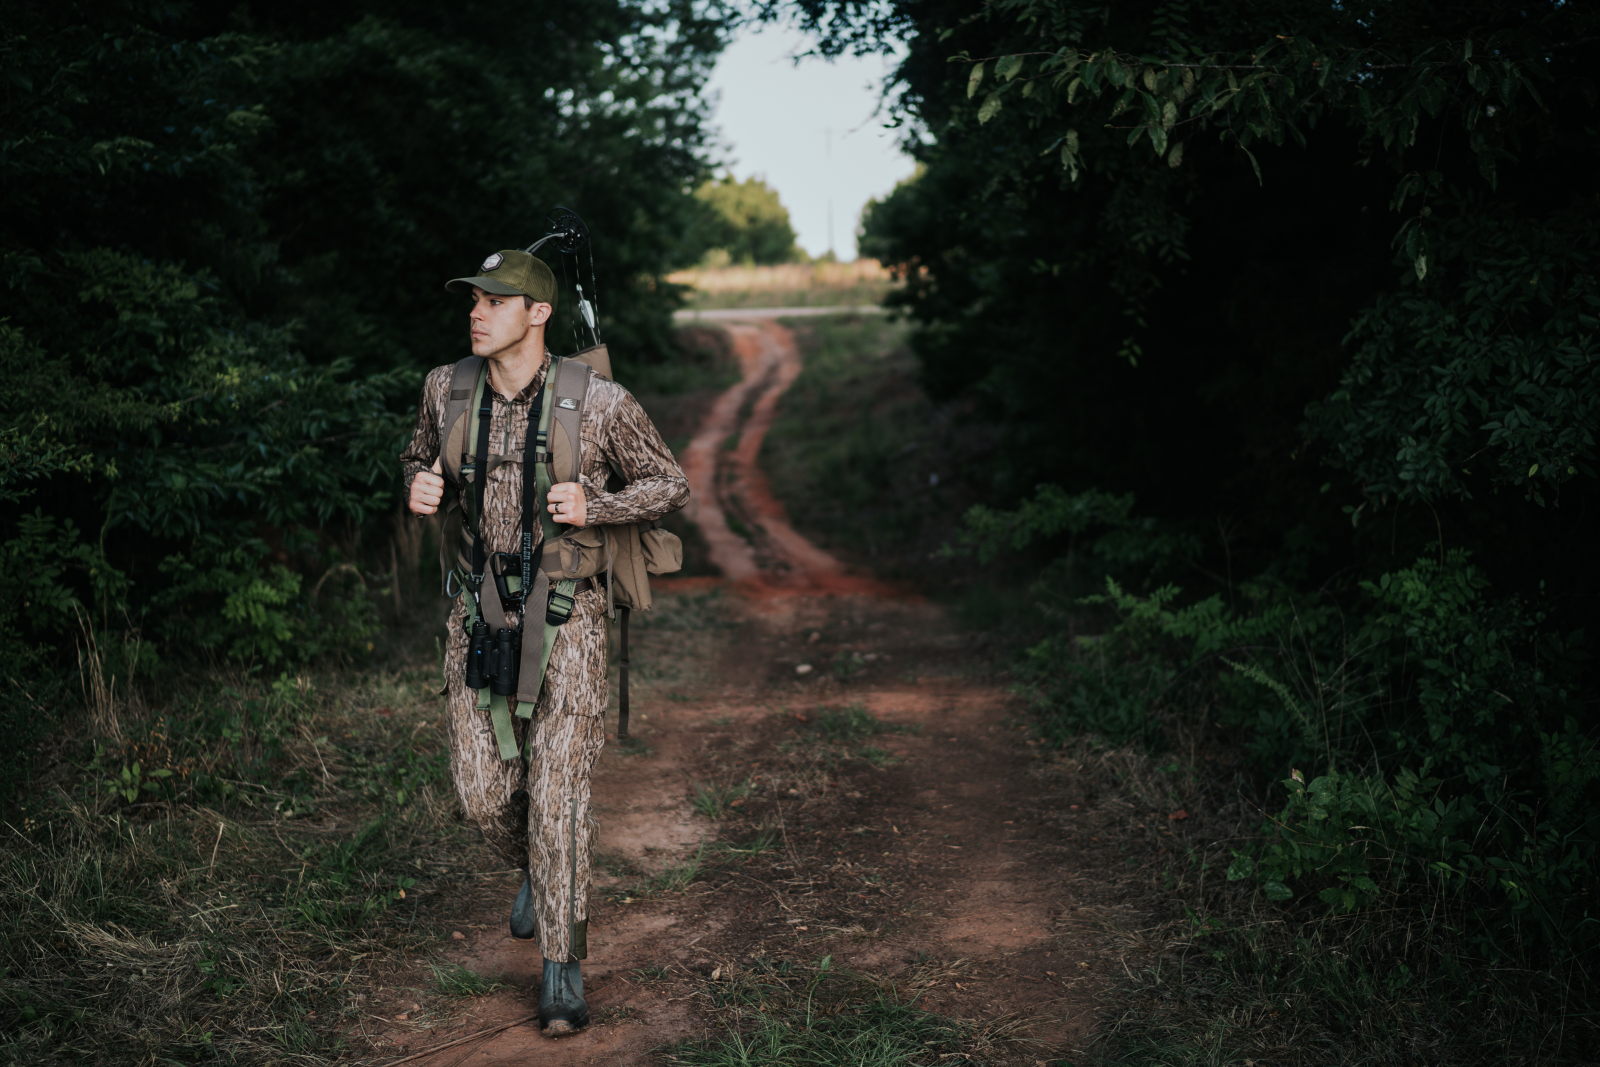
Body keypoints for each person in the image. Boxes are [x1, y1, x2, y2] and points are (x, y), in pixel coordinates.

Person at [400, 249, 688, 1036]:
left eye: (498, 300)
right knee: (481, 792)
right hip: (478, 614)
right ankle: (540, 866)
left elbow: (670, 482)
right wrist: (418, 484)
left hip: (571, 620)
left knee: (559, 793)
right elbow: (418, 458)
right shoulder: (444, 389)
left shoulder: (597, 401)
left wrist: (594, 504)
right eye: (474, 299)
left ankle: (562, 970)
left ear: (537, 314)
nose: (477, 310)